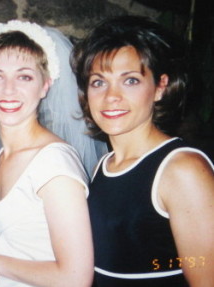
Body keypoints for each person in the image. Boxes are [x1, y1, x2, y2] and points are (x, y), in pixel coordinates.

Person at [0, 20, 107, 287]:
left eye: (24, 76)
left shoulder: (53, 163)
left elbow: (76, 279)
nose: (8, 89)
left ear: (45, 85)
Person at [71, 15, 214, 287]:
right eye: (98, 82)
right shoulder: (104, 165)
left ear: (160, 87)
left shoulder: (182, 169)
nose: (111, 96)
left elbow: (205, 273)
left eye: (131, 80)